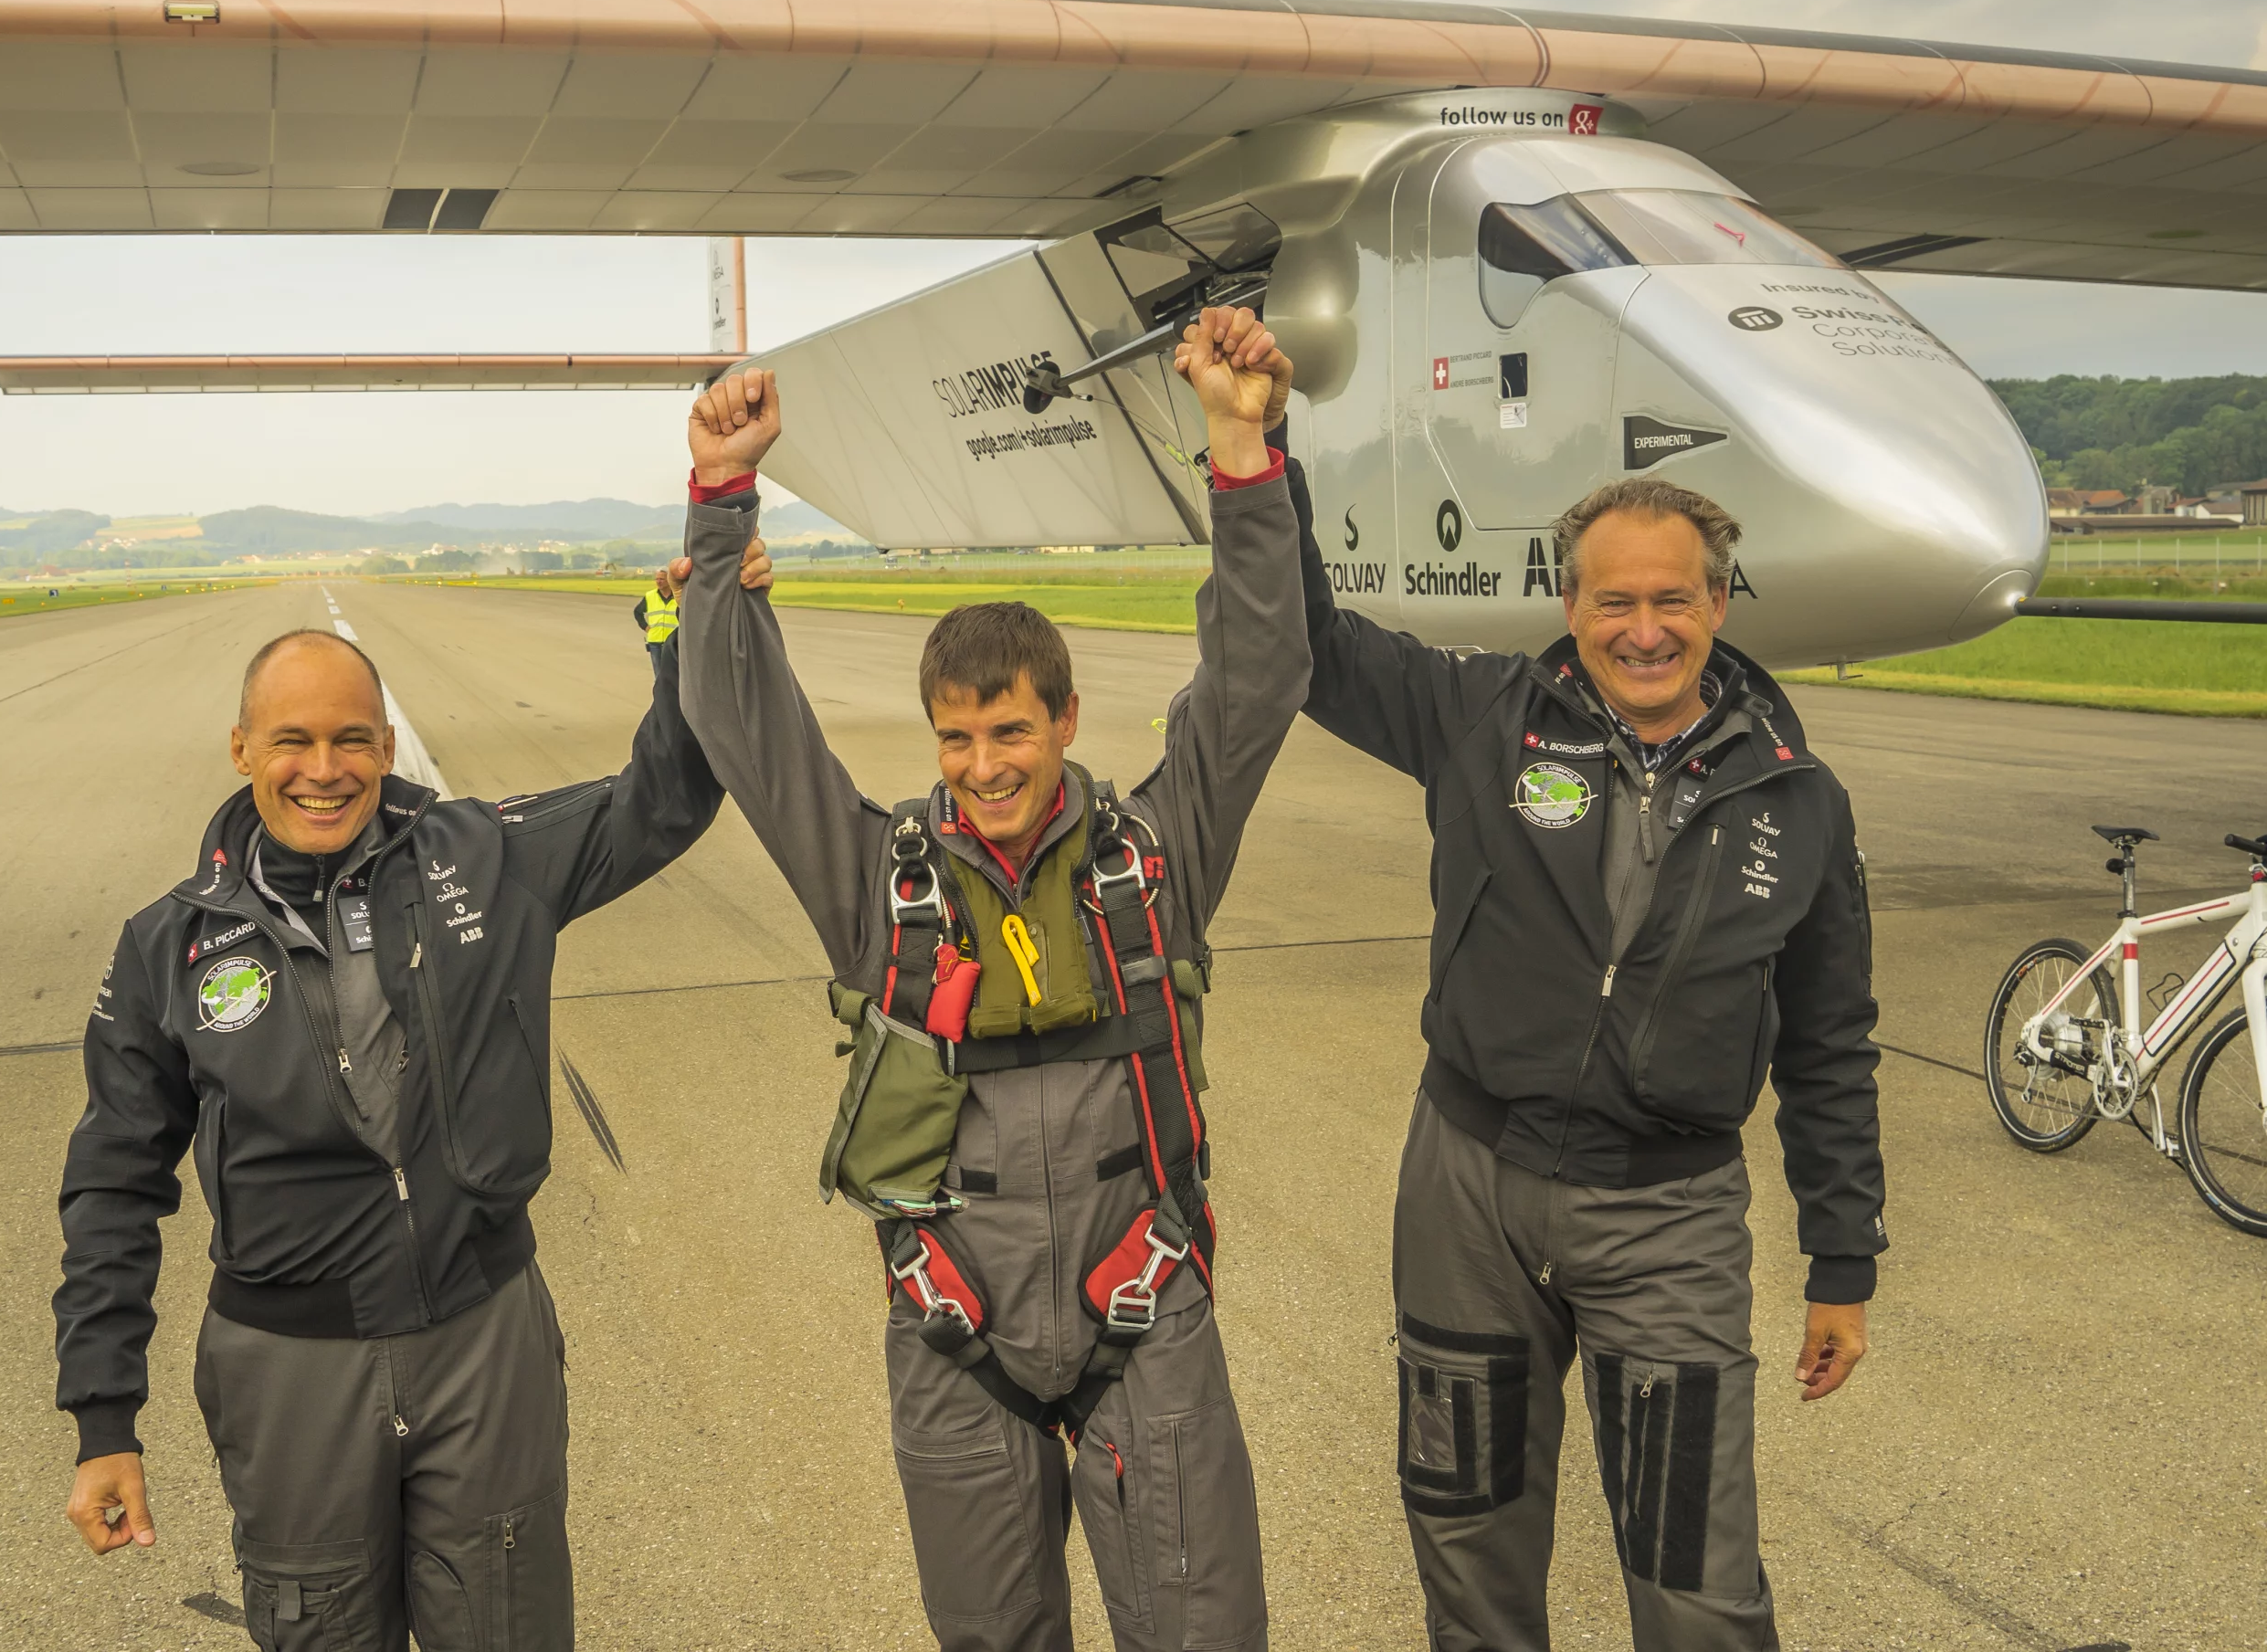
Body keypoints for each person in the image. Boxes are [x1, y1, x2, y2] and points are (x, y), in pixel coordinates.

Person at [670, 307, 1308, 1652]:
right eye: (957, 738)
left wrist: (1243, 456)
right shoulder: (882, 889)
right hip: (955, 1329)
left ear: (1065, 720)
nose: (984, 765)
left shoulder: (1154, 861)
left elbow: (1256, 679)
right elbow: (744, 725)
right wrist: (721, 502)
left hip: (1146, 1317)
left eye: (1009, 729)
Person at [52, 576, 761, 1649]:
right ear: (240, 749)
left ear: (386, 747)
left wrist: (689, 623)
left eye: (351, 740)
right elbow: (113, 1180)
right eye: (292, 741)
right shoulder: (168, 945)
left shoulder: (487, 857)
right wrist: (103, 1420)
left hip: (482, 1335)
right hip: (289, 1368)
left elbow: (665, 797)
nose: (324, 770)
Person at [1282, 434, 1882, 1647]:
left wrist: (1843, 1261)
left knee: (1695, 1577)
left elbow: (1830, 1044)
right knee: (1470, 1539)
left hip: (1668, 1215)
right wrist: (1255, 457)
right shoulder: (1484, 718)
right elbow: (1306, 646)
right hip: (1471, 1191)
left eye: (1673, 599)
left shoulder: (1796, 799)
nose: (1644, 630)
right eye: (1615, 600)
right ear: (1571, 602)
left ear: (1719, 600)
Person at [633, 567, 680, 660]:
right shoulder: (650, 596)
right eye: (657, 579)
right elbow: (637, 612)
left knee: (675, 673)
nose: (658, 582)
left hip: (674, 642)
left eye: (662, 579)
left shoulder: (678, 596)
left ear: (669, 580)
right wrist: (645, 627)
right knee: (658, 673)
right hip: (655, 642)